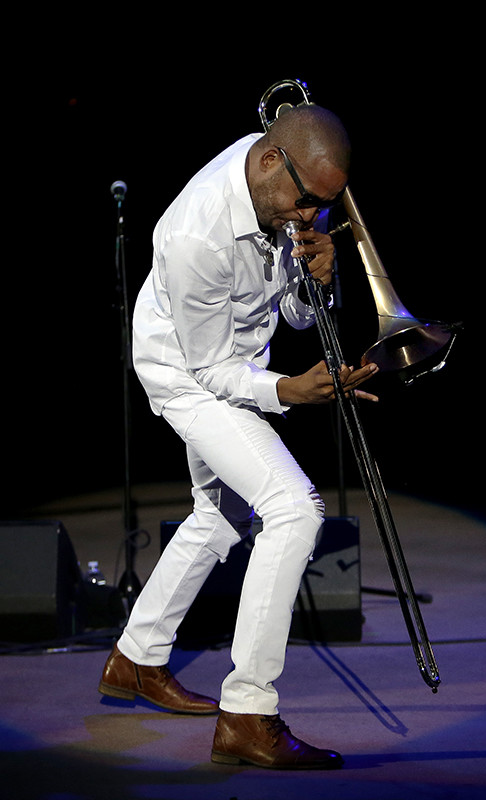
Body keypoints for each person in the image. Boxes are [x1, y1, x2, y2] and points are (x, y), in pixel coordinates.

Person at [98, 104, 378, 770]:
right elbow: (209, 370)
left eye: (322, 207)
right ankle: (247, 713)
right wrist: (286, 391)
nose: (309, 216)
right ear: (268, 161)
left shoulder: (282, 194)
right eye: (308, 204)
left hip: (233, 363)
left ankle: (134, 660)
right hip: (186, 374)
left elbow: (287, 312)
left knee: (218, 513)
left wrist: (320, 277)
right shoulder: (198, 231)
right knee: (292, 508)